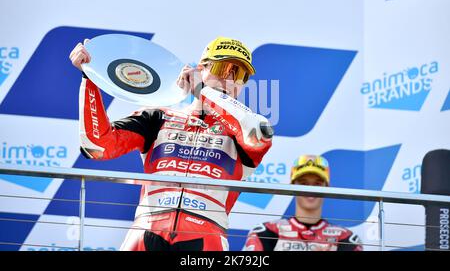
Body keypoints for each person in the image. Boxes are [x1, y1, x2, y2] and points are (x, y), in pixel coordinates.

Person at [69, 36, 273, 251]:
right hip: (146, 230)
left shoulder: (242, 130)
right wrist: (90, 77)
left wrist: (203, 91)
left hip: (206, 238)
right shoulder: (157, 117)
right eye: (224, 68)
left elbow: (259, 133)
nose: (230, 80)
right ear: (201, 68)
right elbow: (97, 145)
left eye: (240, 75)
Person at [243, 155, 363, 251]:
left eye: (317, 184)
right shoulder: (267, 232)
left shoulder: (345, 238)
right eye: (304, 183)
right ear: (292, 186)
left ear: (327, 187)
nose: (310, 189)